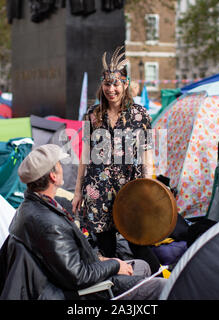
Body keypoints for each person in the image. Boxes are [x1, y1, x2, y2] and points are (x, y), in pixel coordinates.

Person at [0, 144, 166, 300]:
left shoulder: (29, 208)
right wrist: (115, 265)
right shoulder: (49, 224)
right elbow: (79, 276)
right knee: (161, 287)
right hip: (86, 291)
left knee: (141, 265)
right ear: (53, 176)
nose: (61, 167)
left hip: (72, 276)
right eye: (59, 164)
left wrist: (102, 259)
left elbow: (66, 259)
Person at [71, 46, 160, 273]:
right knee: (106, 247)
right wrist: (78, 190)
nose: (111, 89)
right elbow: (85, 153)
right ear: (102, 85)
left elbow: (147, 151)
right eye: (107, 84)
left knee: (139, 242)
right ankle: (115, 287)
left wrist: (147, 186)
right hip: (97, 190)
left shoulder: (140, 115)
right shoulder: (92, 114)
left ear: (125, 84)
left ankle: (161, 281)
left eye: (116, 84)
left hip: (129, 187)